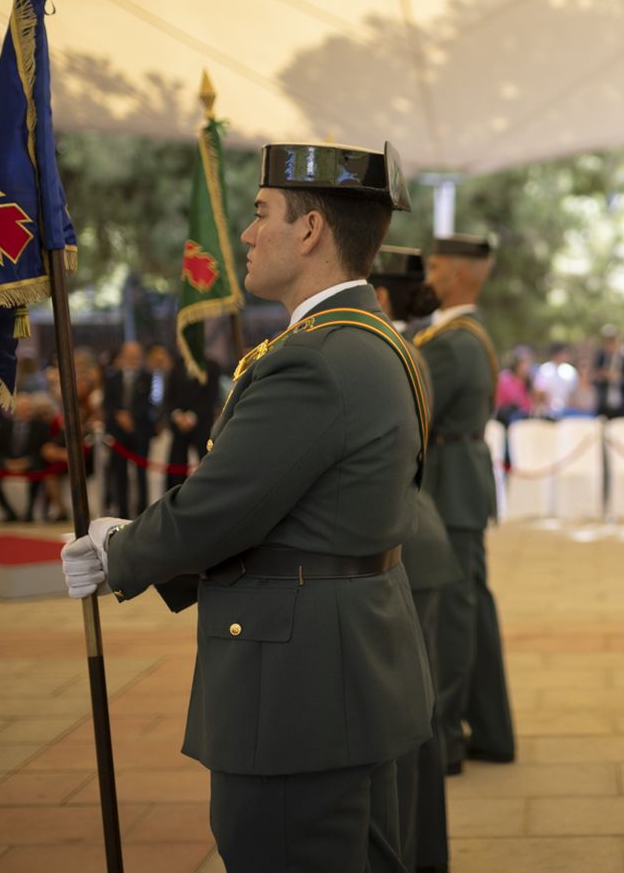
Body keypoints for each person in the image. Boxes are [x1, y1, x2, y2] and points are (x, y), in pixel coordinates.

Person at [59, 141, 433, 871]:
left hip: (298, 688)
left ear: (311, 229)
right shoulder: (371, 343)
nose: (247, 233)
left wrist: (118, 552)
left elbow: (218, 508)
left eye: (263, 213)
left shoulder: (316, 358)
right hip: (349, 665)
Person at [371, 245, 461, 873]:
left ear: (380, 296)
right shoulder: (409, 348)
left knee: (403, 730)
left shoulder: (390, 351)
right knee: (414, 723)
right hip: (418, 537)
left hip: (405, 544)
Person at [418, 233, 515, 771]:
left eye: (435, 268)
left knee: (453, 618)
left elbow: (414, 409)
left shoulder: (451, 342)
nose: (427, 278)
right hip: (462, 483)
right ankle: (492, 732)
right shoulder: (463, 334)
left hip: (449, 486)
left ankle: (447, 738)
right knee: (471, 609)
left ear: (457, 274)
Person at [101, 340, 154, 518]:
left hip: (140, 431)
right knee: (119, 473)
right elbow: (107, 403)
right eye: (129, 354)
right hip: (118, 432)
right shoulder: (112, 377)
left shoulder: (148, 377)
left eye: (136, 354)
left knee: (141, 474)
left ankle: (143, 511)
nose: (133, 358)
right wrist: (119, 416)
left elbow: (149, 403)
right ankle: (122, 512)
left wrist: (132, 417)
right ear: (123, 355)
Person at [160, 353, 219, 491]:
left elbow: (211, 396)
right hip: (179, 425)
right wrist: (178, 415)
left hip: (202, 424)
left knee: (206, 463)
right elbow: (169, 396)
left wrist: (192, 416)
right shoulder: (176, 366)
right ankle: (176, 496)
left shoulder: (211, 366)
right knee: (177, 464)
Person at [0, 391, 49, 522]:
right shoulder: (3, 426)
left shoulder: (41, 427)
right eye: (22, 408)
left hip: (30, 464)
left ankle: (29, 512)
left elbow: (43, 450)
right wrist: (6, 463)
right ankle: (8, 512)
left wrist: (26, 462)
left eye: (28, 408)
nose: (25, 411)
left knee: (38, 471)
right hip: (6, 463)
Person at [593, 325, 624, 418]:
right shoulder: (601, 358)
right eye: (607, 341)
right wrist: (601, 377)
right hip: (605, 409)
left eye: (612, 341)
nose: (610, 344)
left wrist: (619, 378)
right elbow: (594, 381)